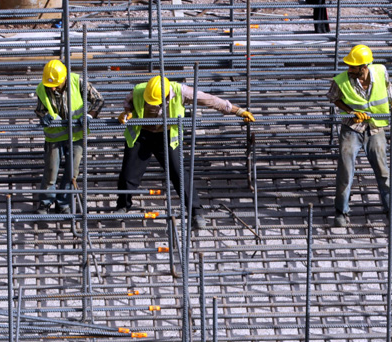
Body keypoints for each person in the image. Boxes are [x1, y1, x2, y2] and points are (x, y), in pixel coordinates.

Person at [116, 75, 255, 229]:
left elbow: (211, 100)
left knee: (179, 174)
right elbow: (128, 103)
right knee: (129, 173)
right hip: (142, 134)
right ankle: (123, 206)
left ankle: (196, 212)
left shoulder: (182, 92)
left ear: (167, 95)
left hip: (166, 135)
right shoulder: (140, 90)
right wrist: (126, 113)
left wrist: (238, 111)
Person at [328, 44, 392, 227]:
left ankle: (391, 209)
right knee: (345, 171)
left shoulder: (380, 71)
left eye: (353, 67)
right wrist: (350, 111)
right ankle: (341, 211)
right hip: (352, 128)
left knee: (383, 171)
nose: (349, 69)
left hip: (375, 127)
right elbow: (334, 98)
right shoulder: (341, 80)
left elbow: (389, 96)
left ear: (364, 67)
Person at [34, 59, 104, 214]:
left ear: (64, 78)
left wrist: (89, 115)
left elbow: (99, 100)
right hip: (54, 137)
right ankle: (45, 203)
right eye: (49, 86)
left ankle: (63, 203)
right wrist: (44, 116)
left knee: (71, 172)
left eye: (55, 85)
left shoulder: (77, 82)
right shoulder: (42, 87)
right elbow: (40, 110)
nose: (52, 89)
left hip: (76, 135)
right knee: (51, 171)